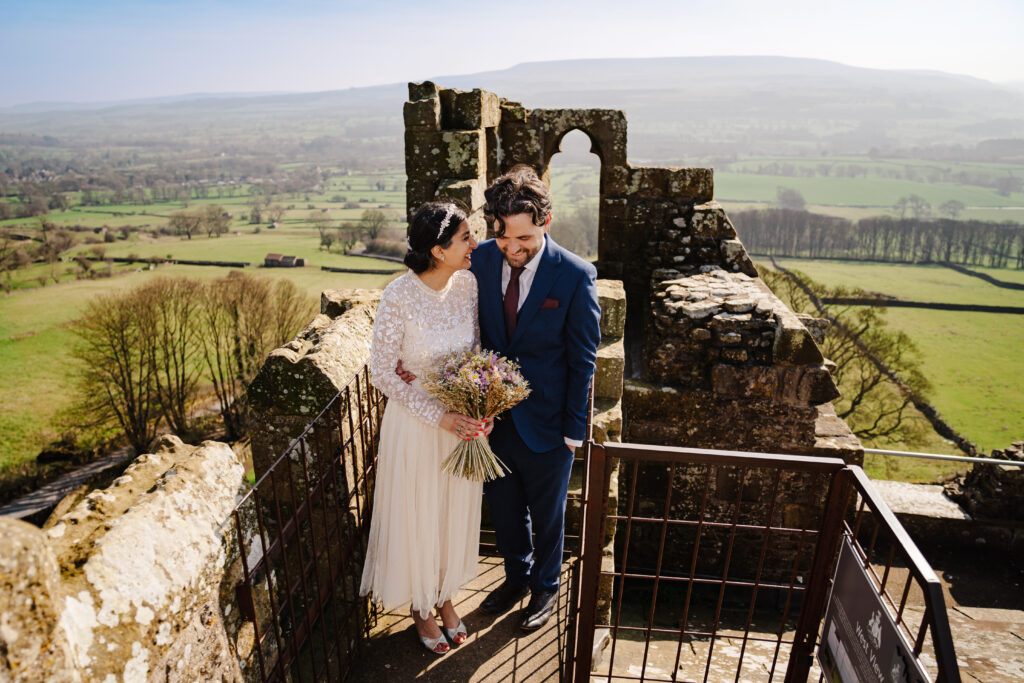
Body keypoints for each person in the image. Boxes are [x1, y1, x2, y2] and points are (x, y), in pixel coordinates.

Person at [398, 165, 601, 631]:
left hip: (550, 424)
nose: (513, 249)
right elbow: (436, 300)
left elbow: (583, 359)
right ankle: (516, 578)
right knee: (506, 513)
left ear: (546, 222)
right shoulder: (480, 260)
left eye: (524, 239)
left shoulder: (574, 275)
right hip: (491, 422)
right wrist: (419, 366)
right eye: (504, 237)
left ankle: (545, 589)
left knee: (549, 518)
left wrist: (575, 430)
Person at [358, 200, 493, 655]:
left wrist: (482, 403)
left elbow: (474, 351)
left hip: (461, 423)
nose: (475, 244)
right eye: (465, 239)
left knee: (450, 514)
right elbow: (381, 372)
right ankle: (420, 607)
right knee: (419, 514)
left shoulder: (468, 284)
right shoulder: (398, 294)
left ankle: (446, 595)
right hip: (418, 425)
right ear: (438, 250)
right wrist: (438, 415)